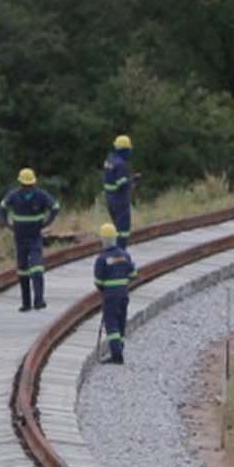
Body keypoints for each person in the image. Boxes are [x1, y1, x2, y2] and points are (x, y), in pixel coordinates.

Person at [0, 168, 60, 312]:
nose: (27, 188)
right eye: (25, 185)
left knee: (37, 268)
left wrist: (47, 222)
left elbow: (55, 207)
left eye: (29, 185)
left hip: (34, 237)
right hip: (19, 238)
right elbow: (2, 208)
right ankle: (26, 303)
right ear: (20, 184)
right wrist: (7, 224)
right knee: (22, 271)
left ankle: (39, 300)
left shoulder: (41, 195)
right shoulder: (13, 195)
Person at [93, 223, 134, 364]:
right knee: (121, 322)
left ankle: (116, 355)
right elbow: (133, 273)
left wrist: (104, 290)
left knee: (111, 324)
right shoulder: (125, 255)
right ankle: (120, 347)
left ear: (103, 240)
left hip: (110, 296)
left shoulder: (101, 259)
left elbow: (98, 281)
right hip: (123, 294)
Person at [101, 133, 135, 244]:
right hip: (119, 200)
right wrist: (132, 181)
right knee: (123, 230)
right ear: (124, 150)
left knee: (116, 227)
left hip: (110, 198)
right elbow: (122, 185)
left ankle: (115, 247)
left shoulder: (109, 160)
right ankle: (121, 252)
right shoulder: (121, 164)